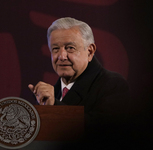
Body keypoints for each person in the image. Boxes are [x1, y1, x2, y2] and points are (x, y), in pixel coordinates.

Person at [28, 17, 131, 148]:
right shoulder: (53, 92)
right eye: (55, 49)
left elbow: (103, 132)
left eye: (70, 48)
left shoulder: (113, 85)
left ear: (90, 51)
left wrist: (54, 107)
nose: (61, 56)